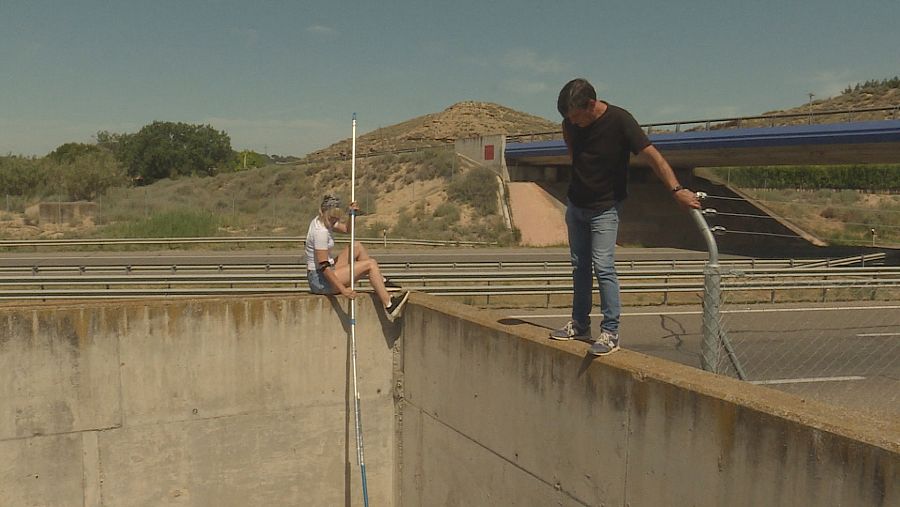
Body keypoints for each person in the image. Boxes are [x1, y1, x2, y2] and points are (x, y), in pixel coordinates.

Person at [550, 78, 701, 355]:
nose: (574, 123)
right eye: (569, 119)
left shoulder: (621, 121)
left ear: (591, 104)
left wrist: (676, 190)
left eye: (577, 117)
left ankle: (610, 332)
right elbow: (575, 152)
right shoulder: (569, 125)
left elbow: (653, 157)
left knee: (602, 265)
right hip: (576, 205)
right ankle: (580, 323)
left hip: (605, 208)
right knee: (579, 266)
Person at [306, 194, 409, 320]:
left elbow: (348, 230)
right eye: (332, 218)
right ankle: (389, 304)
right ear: (322, 212)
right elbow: (324, 267)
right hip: (321, 280)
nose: (334, 221)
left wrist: (351, 214)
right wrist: (343, 290)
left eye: (336, 218)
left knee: (357, 246)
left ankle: (381, 281)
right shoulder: (320, 232)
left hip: (325, 272)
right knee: (370, 264)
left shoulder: (323, 221)